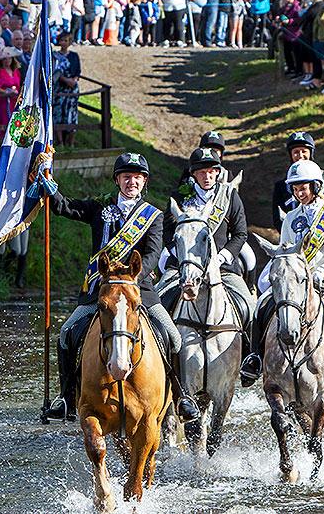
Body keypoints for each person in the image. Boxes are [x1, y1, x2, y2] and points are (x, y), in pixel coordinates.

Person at [42, 152, 201, 424]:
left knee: (174, 338)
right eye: (127, 176)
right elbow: (66, 207)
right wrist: (49, 186)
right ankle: (66, 398)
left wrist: (132, 276)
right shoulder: (99, 208)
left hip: (139, 291)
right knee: (67, 333)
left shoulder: (153, 216)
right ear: (118, 180)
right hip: (100, 292)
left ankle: (182, 396)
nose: (132, 182)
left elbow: (152, 253)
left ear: (144, 182)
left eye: (137, 177)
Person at [241, 159, 324, 388]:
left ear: (316, 186)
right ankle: (255, 358)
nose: (299, 192)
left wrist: (323, 271)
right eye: (296, 188)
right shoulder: (291, 217)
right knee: (261, 303)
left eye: (303, 187)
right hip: (298, 275)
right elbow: (286, 249)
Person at [159, 146, 254, 390]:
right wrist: (179, 256)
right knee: (160, 302)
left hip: (221, 267)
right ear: (194, 175)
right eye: (202, 172)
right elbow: (167, 231)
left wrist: (223, 257)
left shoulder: (229, 195)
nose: (208, 176)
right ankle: (161, 358)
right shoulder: (180, 196)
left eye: (212, 171)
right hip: (185, 266)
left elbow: (240, 232)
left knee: (247, 305)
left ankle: (250, 359)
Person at [270, 132, 324, 228]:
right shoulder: (281, 186)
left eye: (304, 151)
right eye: (296, 152)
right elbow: (278, 219)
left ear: (311, 153)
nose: (300, 155)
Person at [0, 44, 21, 142]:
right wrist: (6, 92)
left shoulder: (15, 71)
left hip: (14, 100)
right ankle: (2, 143)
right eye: (5, 59)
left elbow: (18, 85)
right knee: (3, 120)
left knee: (15, 120)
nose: (7, 61)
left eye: (9, 59)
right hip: (3, 101)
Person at [53, 29, 80, 147]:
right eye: (62, 40)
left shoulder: (74, 56)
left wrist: (73, 81)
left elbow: (77, 71)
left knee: (71, 114)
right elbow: (55, 72)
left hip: (72, 89)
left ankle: (71, 142)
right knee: (58, 113)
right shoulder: (55, 56)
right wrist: (64, 80)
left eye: (66, 41)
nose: (64, 43)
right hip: (59, 88)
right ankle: (60, 142)